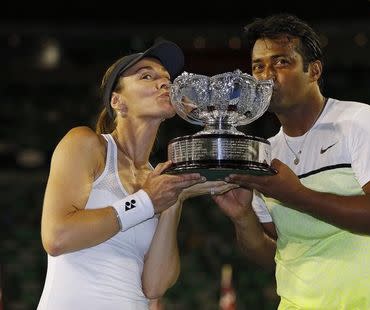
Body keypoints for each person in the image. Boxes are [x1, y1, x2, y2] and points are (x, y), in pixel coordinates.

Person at [213, 14, 370, 309]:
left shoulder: (358, 122)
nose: (267, 75)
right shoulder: (264, 153)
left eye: (281, 62)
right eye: (258, 66)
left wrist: (296, 195)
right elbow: (274, 255)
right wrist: (242, 217)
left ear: (314, 70)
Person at [37, 39, 232, 309]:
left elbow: (154, 286)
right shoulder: (86, 144)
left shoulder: (157, 181)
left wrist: (173, 202)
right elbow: (57, 237)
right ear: (118, 101)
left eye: (167, 79)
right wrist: (146, 202)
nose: (164, 83)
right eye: (147, 76)